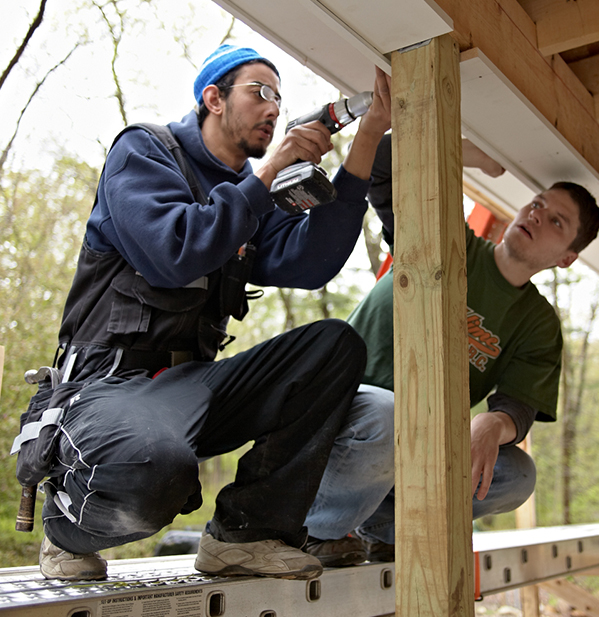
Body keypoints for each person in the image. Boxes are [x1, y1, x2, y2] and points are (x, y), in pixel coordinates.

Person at [15, 44, 392, 581]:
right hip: (107, 386)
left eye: (279, 99)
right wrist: (265, 181)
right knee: (153, 469)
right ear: (213, 98)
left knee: (333, 346)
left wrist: (371, 131)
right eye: (259, 92)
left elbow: (314, 263)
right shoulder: (145, 152)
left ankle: (245, 534)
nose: (273, 108)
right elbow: (173, 254)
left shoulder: (251, 197)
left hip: (193, 385)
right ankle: (67, 529)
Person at [301, 133, 599, 566]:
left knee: (516, 476)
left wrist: (492, 425)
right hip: (340, 411)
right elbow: (383, 161)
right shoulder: (447, 241)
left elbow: (518, 406)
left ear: (567, 258)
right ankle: (315, 529)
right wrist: (469, 153)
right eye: (537, 204)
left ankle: (384, 527)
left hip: (413, 442)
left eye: (557, 221)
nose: (537, 216)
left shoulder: (537, 323)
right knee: (388, 415)